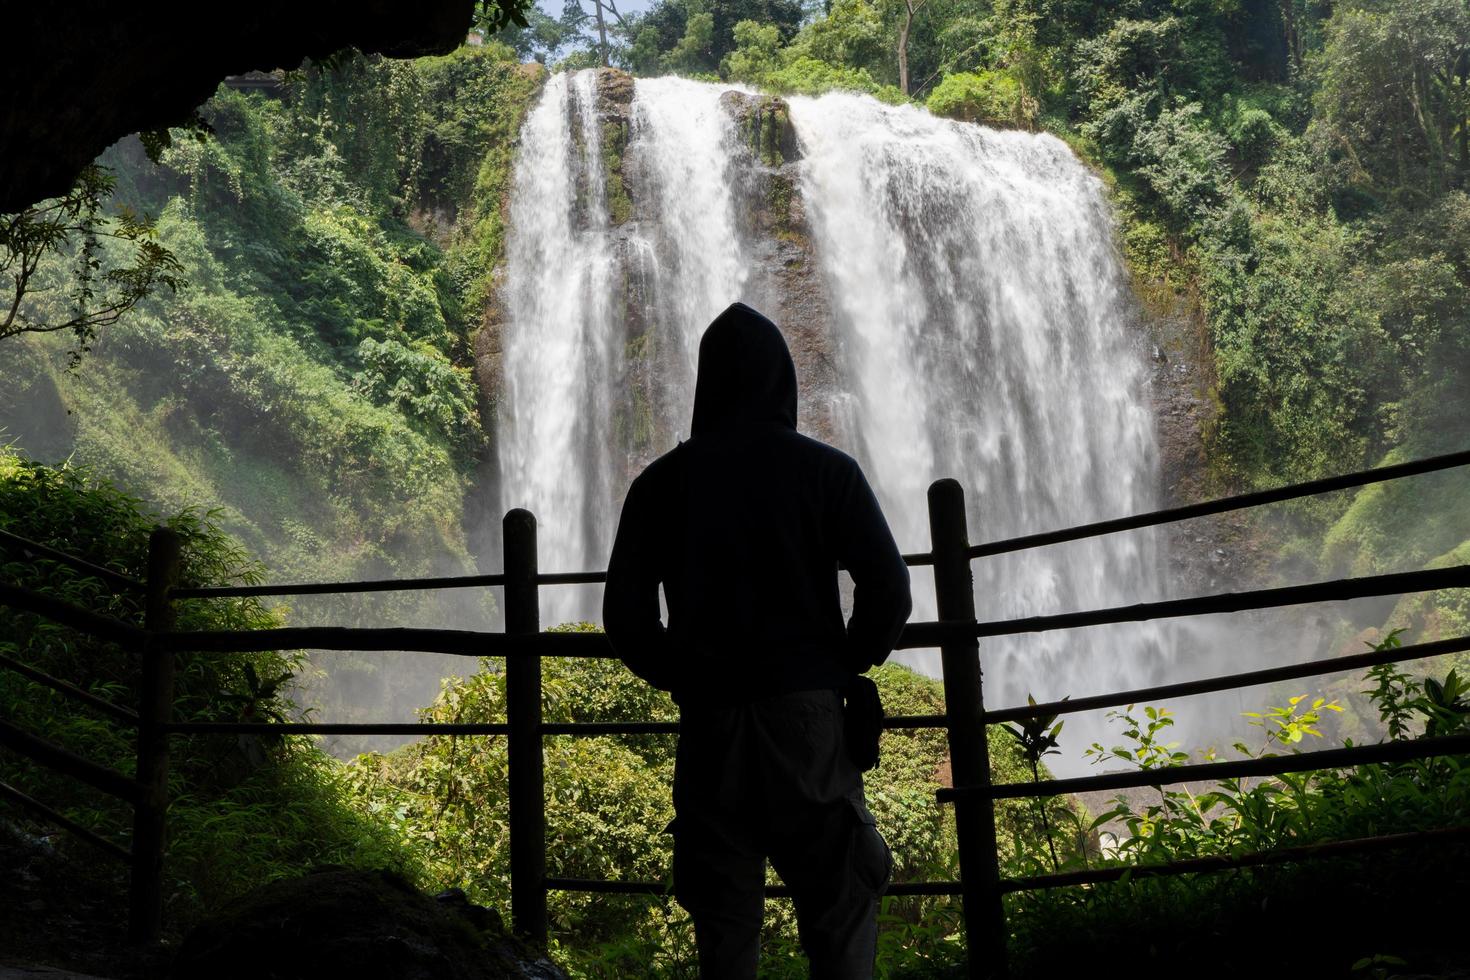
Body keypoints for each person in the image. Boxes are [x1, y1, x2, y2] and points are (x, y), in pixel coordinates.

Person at [603, 301, 913, 978]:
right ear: (783, 383)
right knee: (839, 908)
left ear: (706, 385)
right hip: (808, 722)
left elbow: (626, 621)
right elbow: (889, 590)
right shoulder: (828, 473)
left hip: (711, 726)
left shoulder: (659, 486)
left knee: (725, 930)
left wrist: (686, 675)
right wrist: (841, 661)